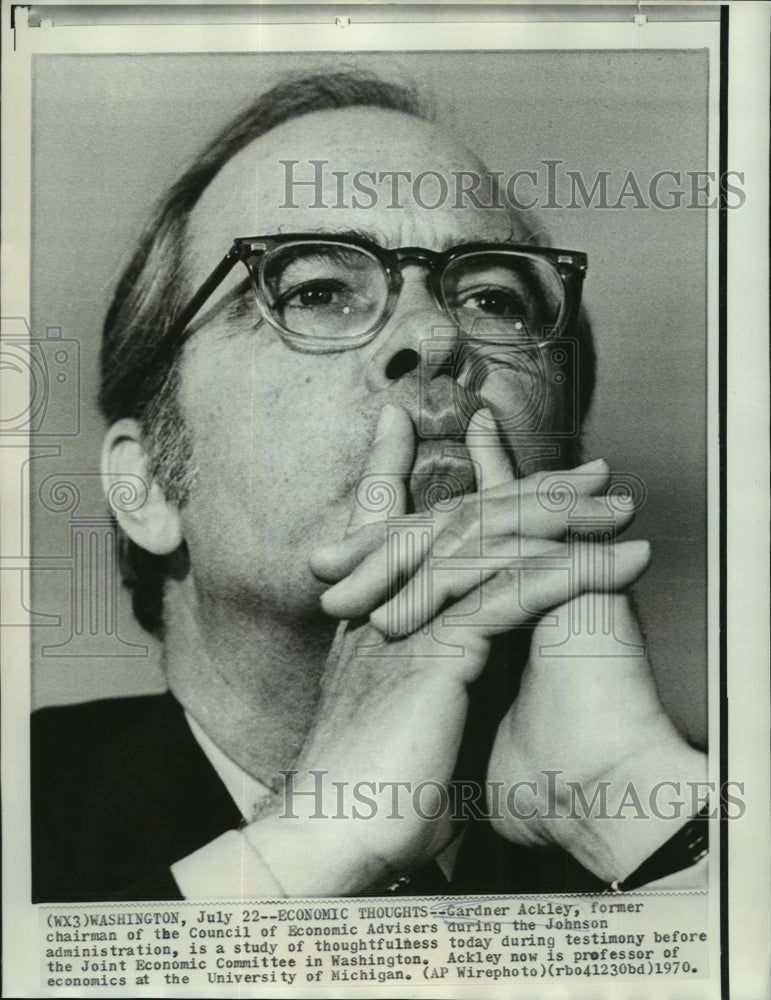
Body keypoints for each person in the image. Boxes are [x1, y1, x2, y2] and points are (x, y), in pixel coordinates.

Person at [31, 71, 708, 902]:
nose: (435, 335)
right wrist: (314, 844)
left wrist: (620, 797)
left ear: (562, 461)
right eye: (315, 291)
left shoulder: (701, 809)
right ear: (146, 486)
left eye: (492, 299)